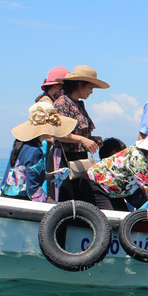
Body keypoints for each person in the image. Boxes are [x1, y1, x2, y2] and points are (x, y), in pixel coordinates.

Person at [82, 125, 148, 211]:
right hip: (96, 183)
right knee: (109, 218)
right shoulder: (137, 158)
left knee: (122, 218)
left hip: (115, 189)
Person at [53, 65, 108, 201]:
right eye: (90, 87)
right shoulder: (62, 102)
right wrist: (83, 140)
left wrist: (91, 139)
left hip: (79, 159)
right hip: (65, 159)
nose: (91, 92)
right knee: (68, 197)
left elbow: (78, 132)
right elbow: (58, 133)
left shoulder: (79, 104)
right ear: (79, 83)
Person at [0, 102, 76, 202]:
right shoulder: (35, 151)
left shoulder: (22, 145)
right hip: (20, 201)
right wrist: (55, 206)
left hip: (7, 197)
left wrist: (51, 175)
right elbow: (33, 190)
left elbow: (25, 174)